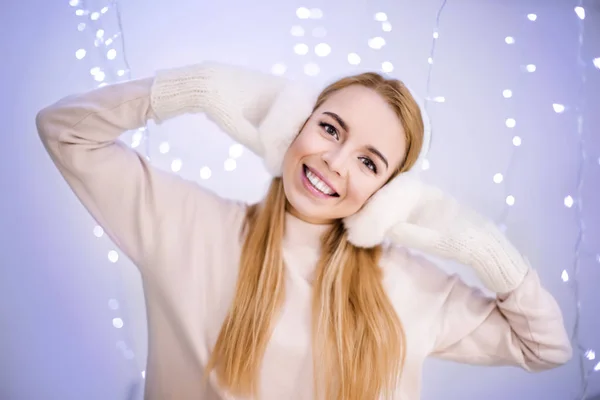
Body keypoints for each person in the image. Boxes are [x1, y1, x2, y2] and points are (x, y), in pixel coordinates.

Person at [36, 61, 572, 400]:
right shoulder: (187, 222)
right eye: (330, 128)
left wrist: (474, 241)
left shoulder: (412, 287)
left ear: (389, 191)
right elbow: (64, 132)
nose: (335, 161)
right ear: (296, 123)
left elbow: (545, 348)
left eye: (369, 162)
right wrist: (198, 89)